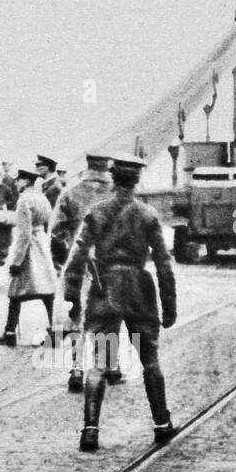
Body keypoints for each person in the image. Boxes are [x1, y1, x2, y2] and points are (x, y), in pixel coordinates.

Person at [63, 155, 177, 452]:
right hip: (139, 292)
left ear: (112, 177)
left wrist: (72, 297)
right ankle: (162, 424)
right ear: (136, 180)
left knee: (99, 363)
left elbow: (77, 257)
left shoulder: (96, 212)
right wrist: (169, 305)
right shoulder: (148, 214)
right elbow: (164, 264)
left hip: (105, 291)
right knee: (149, 359)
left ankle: (90, 431)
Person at [48, 152, 113, 392]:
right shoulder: (117, 194)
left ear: (88, 167)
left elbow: (54, 231)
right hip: (110, 264)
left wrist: (61, 262)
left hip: (78, 262)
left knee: (76, 313)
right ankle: (110, 365)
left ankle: (76, 369)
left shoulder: (70, 193)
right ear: (107, 168)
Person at [0, 167, 57, 348]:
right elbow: (48, 223)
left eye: (19, 179)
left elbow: (24, 233)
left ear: (26, 181)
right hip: (42, 244)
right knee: (48, 292)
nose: (16, 181)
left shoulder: (24, 200)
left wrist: (16, 261)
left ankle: (10, 333)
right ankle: (55, 333)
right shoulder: (42, 198)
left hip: (28, 249)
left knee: (15, 292)